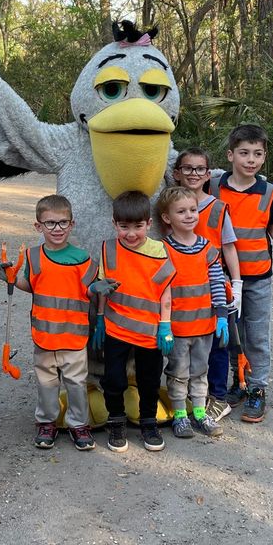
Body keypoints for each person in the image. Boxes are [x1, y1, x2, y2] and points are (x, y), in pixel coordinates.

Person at [210, 124, 273, 423]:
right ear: (231, 155)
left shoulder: (269, 192)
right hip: (222, 276)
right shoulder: (214, 187)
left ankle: (258, 388)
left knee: (256, 334)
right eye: (244, 153)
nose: (250, 159)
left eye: (257, 154)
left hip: (257, 277)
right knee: (231, 333)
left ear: (264, 157)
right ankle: (240, 380)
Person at [0, 194, 100, 451]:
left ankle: (78, 424)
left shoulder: (83, 258)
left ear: (72, 224)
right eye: (50, 223)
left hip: (74, 336)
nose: (57, 229)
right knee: (46, 383)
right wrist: (10, 279)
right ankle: (46, 422)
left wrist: (98, 288)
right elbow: (31, 286)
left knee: (76, 384)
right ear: (38, 226)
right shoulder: (32, 256)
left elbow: (88, 291)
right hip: (44, 334)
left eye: (63, 223)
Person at [93, 190, 175, 453]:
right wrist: (99, 319)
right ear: (114, 223)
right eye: (124, 226)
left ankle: (148, 423)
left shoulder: (159, 251)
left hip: (150, 331)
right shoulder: (108, 249)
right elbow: (105, 287)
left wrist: (166, 325)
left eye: (138, 227)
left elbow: (165, 291)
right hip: (116, 327)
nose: (131, 234)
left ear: (149, 224)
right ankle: (116, 422)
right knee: (114, 379)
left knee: (150, 380)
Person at [172, 147, 245, 422]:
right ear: (177, 173)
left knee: (217, 344)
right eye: (188, 168)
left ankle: (218, 397)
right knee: (184, 345)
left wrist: (235, 284)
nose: (193, 174)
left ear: (208, 174)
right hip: (181, 291)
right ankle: (187, 396)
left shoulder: (217, 208)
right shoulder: (171, 204)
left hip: (213, 287)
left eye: (200, 169)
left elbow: (229, 248)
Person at [155, 186, 227, 439]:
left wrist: (222, 315)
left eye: (193, 210)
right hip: (178, 328)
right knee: (178, 372)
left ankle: (199, 412)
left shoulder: (208, 248)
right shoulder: (163, 250)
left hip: (205, 326)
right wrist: (163, 326)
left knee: (200, 371)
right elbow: (160, 289)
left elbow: (217, 282)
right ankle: (180, 415)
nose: (189, 216)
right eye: (181, 211)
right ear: (167, 218)